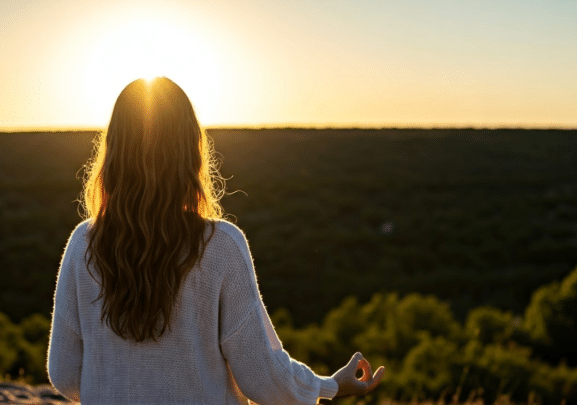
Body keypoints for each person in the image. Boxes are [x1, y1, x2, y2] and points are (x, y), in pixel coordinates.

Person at [47, 77, 384, 404]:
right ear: (189, 151)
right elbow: (260, 377)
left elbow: (64, 374)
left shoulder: (83, 245)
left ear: (115, 151)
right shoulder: (219, 245)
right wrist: (330, 386)